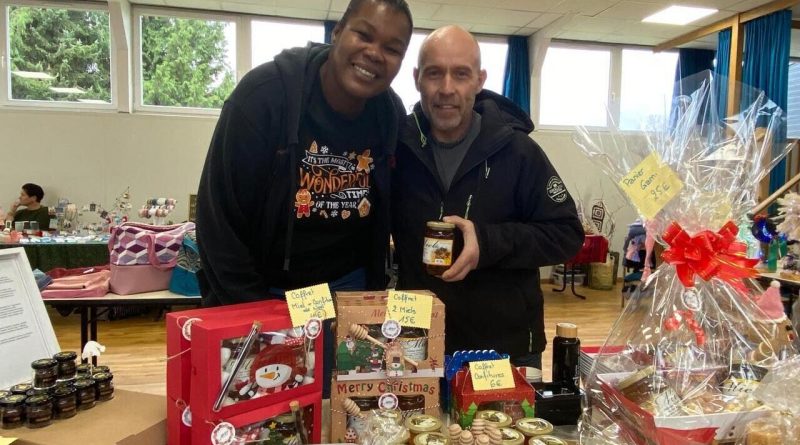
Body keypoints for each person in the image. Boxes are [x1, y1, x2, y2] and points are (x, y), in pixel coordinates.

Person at [196, 0, 413, 396]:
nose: (374, 54)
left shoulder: (390, 116)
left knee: (336, 410)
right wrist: (253, 314)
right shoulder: (263, 97)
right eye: (363, 34)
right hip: (266, 290)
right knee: (267, 410)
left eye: (392, 48)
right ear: (336, 34)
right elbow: (217, 222)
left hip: (347, 294)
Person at [391, 26, 584, 368]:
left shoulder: (518, 151)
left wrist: (487, 243)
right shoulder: (396, 148)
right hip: (417, 345)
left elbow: (566, 234)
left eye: (461, 74)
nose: (447, 88)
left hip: (504, 349)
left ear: (479, 81)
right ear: (417, 78)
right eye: (435, 73)